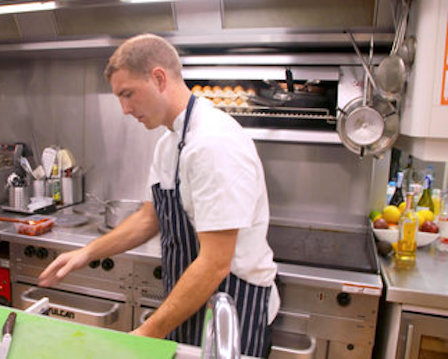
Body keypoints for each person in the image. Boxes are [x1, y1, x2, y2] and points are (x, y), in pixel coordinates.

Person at [38, 33, 279, 358]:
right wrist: (88, 252)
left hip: (233, 308)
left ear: (159, 78)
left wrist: (148, 331)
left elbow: (215, 263)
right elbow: (148, 218)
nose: (124, 109)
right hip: (189, 302)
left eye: (128, 94)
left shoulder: (212, 143)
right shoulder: (169, 144)